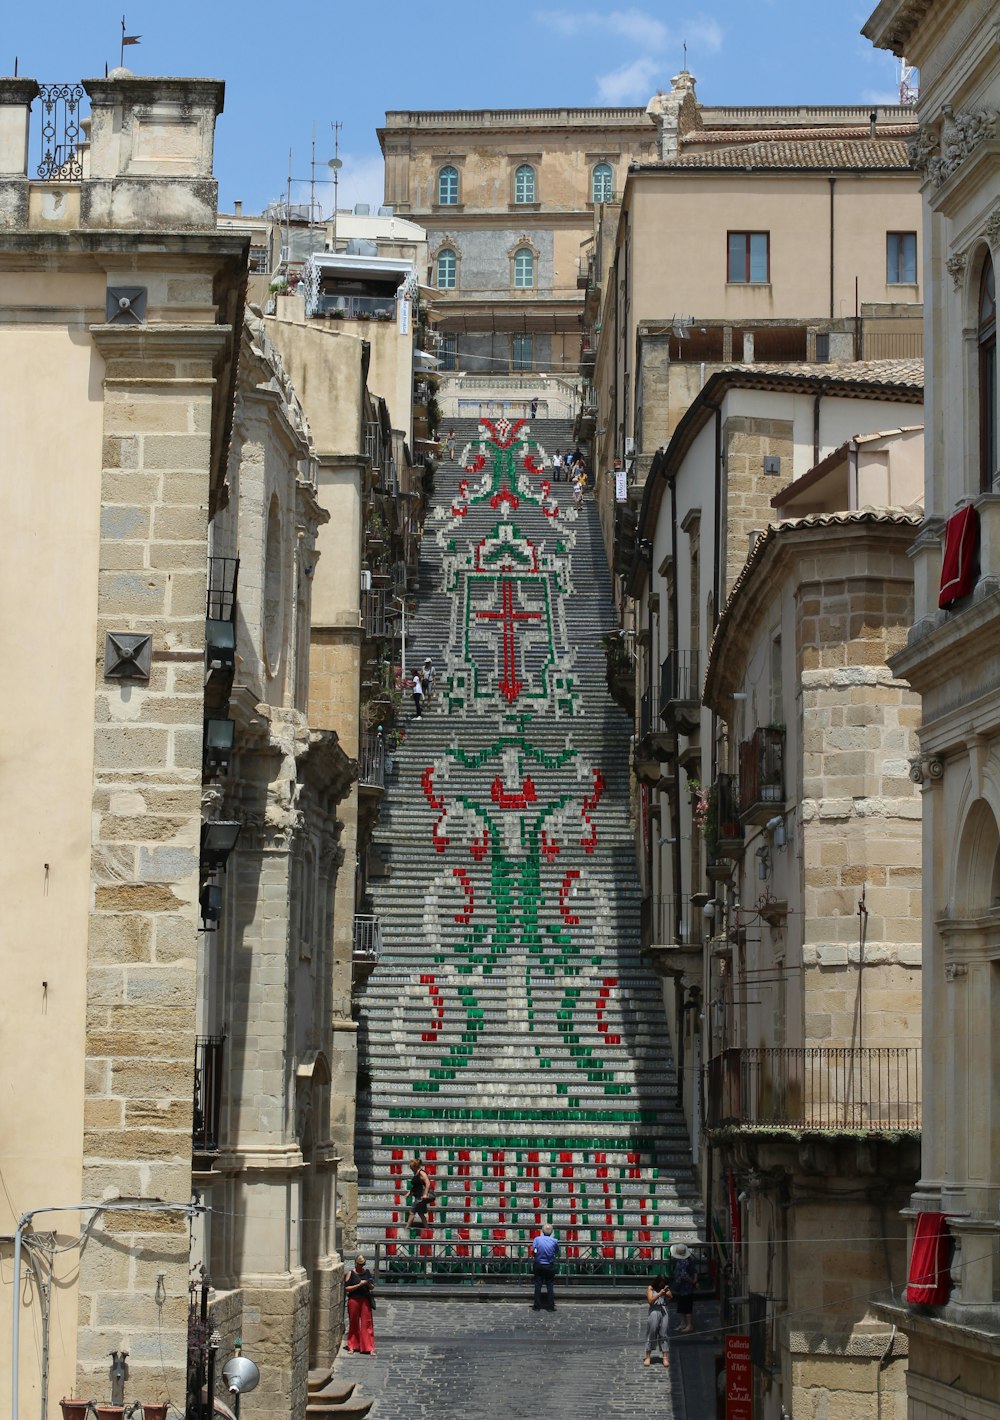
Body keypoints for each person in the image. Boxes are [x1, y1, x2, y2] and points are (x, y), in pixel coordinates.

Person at [344, 1254, 376, 1355]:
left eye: (363, 1264)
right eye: (359, 1264)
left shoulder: (367, 1272)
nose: (361, 1266)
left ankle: (369, 1347)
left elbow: (372, 1287)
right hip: (354, 1300)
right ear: (356, 1263)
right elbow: (346, 1288)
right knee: (354, 1323)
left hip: (365, 1300)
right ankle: (352, 1346)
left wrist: (367, 1284)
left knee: (367, 1323)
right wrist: (359, 1285)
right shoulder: (351, 1273)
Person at [530, 1222, 559, 1311]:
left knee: (538, 1285)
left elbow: (533, 1251)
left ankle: (537, 1305)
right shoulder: (554, 1241)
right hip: (549, 1264)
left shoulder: (537, 1239)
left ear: (542, 1231)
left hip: (539, 1264)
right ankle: (550, 1306)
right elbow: (557, 1251)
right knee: (550, 1285)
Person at [644, 1272, 671, 1366]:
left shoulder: (665, 1288)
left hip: (663, 1309)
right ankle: (648, 1356)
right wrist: (659, 1294)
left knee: (664, 1333)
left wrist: (668, 1295)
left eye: (664, 1282)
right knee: (652, 1331)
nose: (662, 1284)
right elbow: (650, 1301)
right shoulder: (650, 1288)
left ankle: (665, 1357)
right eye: (661, 1282)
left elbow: (667, 1302)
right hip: (654, 1310)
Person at [670, 1242, 697, 1333]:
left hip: (685, 1287)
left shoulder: (683, 1262)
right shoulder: (691, 1259)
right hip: (684, 1287)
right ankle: (683, 1323)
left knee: (686, 1306)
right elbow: (695, 1271)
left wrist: (692, 1282)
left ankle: (689, 1324)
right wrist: (694, 1281)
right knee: (682, 1305)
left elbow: (683, 1275)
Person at [406, 1156, 431, 1229]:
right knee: (421, 1213)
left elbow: (428, 1183)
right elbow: (416, 1185)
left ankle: (407, 1228)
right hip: (418, 1196)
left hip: (420, 1196)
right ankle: (427, 1229)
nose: (410, 1167)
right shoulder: (416, 1173)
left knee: (412, 1212)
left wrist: (425, 1194)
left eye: (411, 1166)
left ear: (415, 1166)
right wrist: (409, 1192)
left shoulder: (421, 1173)